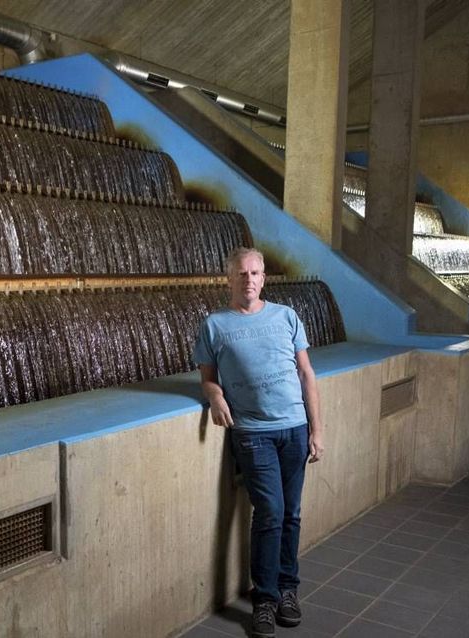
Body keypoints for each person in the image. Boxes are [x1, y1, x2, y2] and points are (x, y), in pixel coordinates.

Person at [194, 247, 325, 638]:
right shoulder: (215, 325)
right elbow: (207, 377)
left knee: (291, 513)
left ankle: (288, 590)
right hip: (252, 434)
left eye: (254, 273)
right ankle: (265, 599)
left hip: (295, 428)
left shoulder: (287, 317)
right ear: (228, 279)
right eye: (240, 274)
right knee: (270, 511)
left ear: (263, 278)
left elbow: (306, 375)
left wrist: (317, 429)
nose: (248, 280)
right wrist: (215, 396)